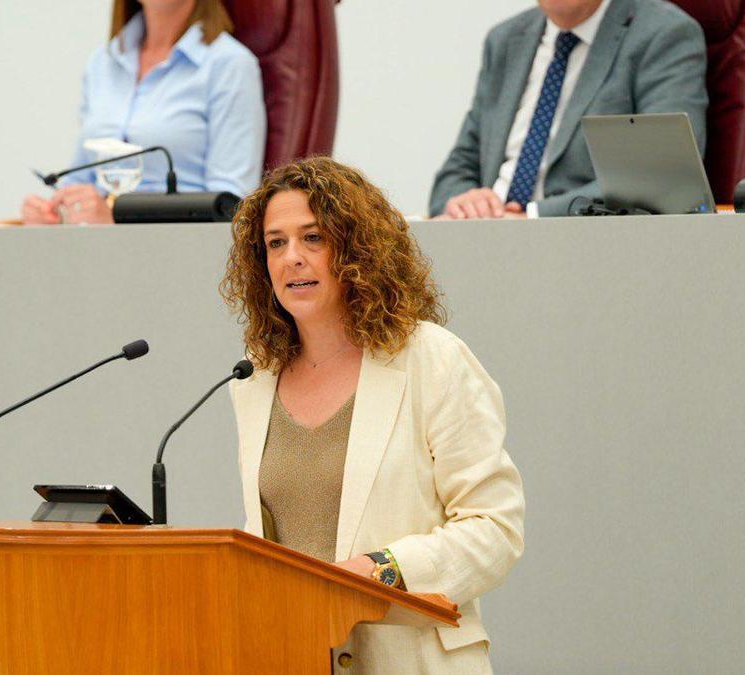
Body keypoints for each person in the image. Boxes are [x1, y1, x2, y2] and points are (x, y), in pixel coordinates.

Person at [221, 157, 525, 673]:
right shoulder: (255, 375)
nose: (292, 257)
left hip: (408, 660)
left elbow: (495, 528)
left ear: (357, 249)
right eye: (276, 243)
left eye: (313, 238)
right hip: (292, 657)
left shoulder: (432, 358)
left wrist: (381, 570)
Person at [429, 0, 707, 219]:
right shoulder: (505, 39)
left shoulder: (663, 33)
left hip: (582, 243)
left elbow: (662, 173)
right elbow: (456, 170)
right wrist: (465, 203)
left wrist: (533, 216)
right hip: (486, 236)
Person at [21, 0, 266, 225]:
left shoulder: (230, 65)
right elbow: (82, 178)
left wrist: (118, 217)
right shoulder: (103, 62)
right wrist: (54, 211)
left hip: (178, 248)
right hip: (95, 246)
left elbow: (230, 205)